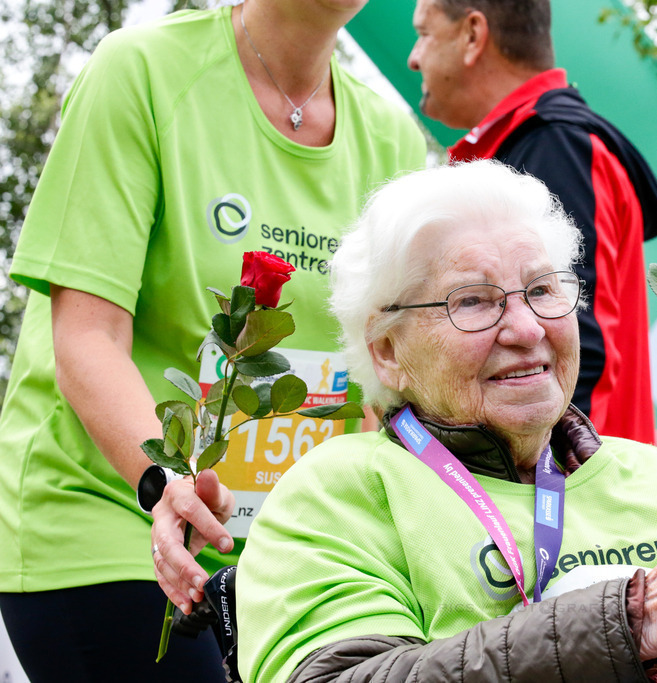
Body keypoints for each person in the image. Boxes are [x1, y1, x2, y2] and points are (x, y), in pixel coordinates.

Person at [234, 161, 657, 682]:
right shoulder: (333, 494)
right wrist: (636, 617)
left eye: (544, 289)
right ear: (387, 349)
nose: (526, 328)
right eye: (473, 300)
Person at [0, 0, 426, 678]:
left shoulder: (393, 140)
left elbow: (384, 378)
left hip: (287, 547)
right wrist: (165, 482)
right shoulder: (140, 71)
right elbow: (86, 338)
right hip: (112, 518)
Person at [407, 0, 657, 444]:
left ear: (472, 36)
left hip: (571, 494)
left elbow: (577, 342)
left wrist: (550, 480)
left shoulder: (553, 146)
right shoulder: (545, 144)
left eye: (425, 33)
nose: (414, 57)